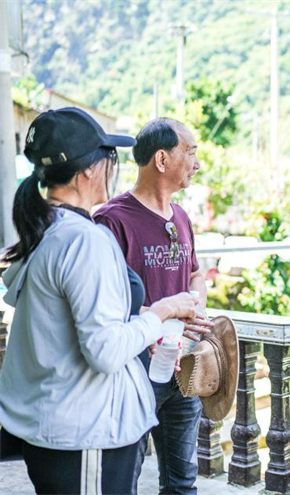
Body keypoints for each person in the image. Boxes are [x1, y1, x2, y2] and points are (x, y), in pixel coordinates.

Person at [0, 108, 198, 494]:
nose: (115, 166)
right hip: (85, 434)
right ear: (89, 170)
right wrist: (163, 310)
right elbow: (104, 351)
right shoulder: (85, 239)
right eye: (109, 156)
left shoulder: (46, 230)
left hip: (60, 428)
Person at [94, 118, 212, 495]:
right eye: (190, 152)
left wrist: (195, 310)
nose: (196, 162)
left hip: (182, 369)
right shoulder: (112, 220)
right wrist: (159, 324)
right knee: (120, 479)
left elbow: (195, 274)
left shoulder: (180, 216)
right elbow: (105, 301)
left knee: (182, 482)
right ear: (162, 159)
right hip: (133, 368)